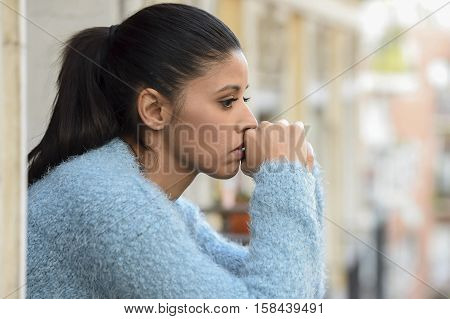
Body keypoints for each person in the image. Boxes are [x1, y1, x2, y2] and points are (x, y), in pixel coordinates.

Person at [26, 3, 327, 298]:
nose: (250, 122)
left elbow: (299, 289)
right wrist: (285, 175)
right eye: (227, 101)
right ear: (154, 109)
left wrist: (301, 173)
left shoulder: (161, 207)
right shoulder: (109, 203)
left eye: (244, 99)